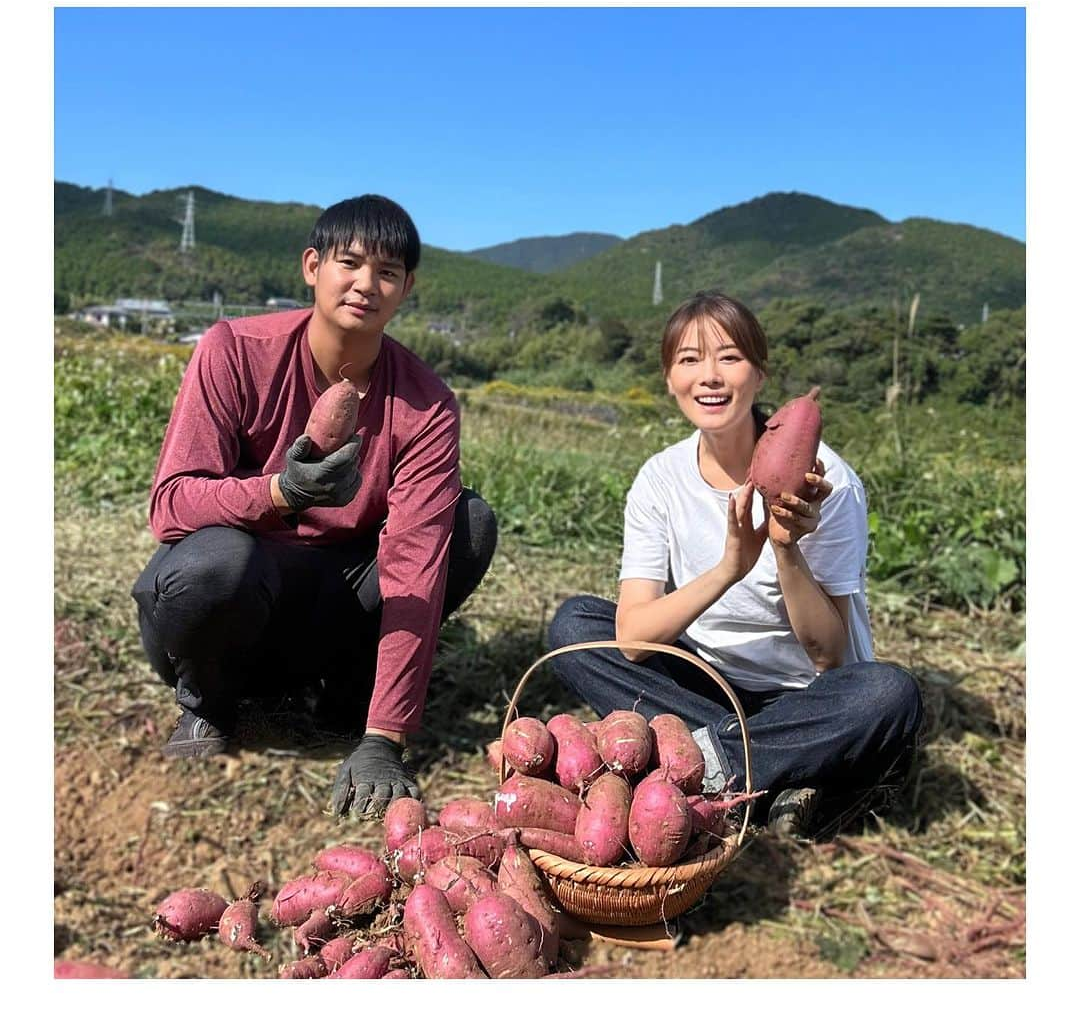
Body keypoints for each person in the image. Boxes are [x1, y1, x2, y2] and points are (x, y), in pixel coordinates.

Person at [131, 194, 497, 819]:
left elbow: (413, 559)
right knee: (216, 562)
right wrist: (281, 493)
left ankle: (346, 705)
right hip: (243, 591)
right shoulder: (235, 351)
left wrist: (386, 734)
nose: (365, 284)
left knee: (468, 525)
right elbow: (171, 504)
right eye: (349, 263)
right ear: (312, 266)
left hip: (338, 596)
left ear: (406, 288)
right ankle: (211, 704)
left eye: (387, 272)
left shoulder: (427, 403)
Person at [547, 290, 922, 839]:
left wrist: (786, 548)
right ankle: (769, 765)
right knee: (576, 628)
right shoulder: (660, 478)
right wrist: (730, 567)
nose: (710, 377)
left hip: (806, 697)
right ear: (669, 379)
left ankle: (701, 763)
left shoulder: (828, 484)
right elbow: (632, 638)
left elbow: (832, 653)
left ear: (760, 375)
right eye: (689, 360)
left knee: (889, 694)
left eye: (729, 357)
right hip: (704, 682)